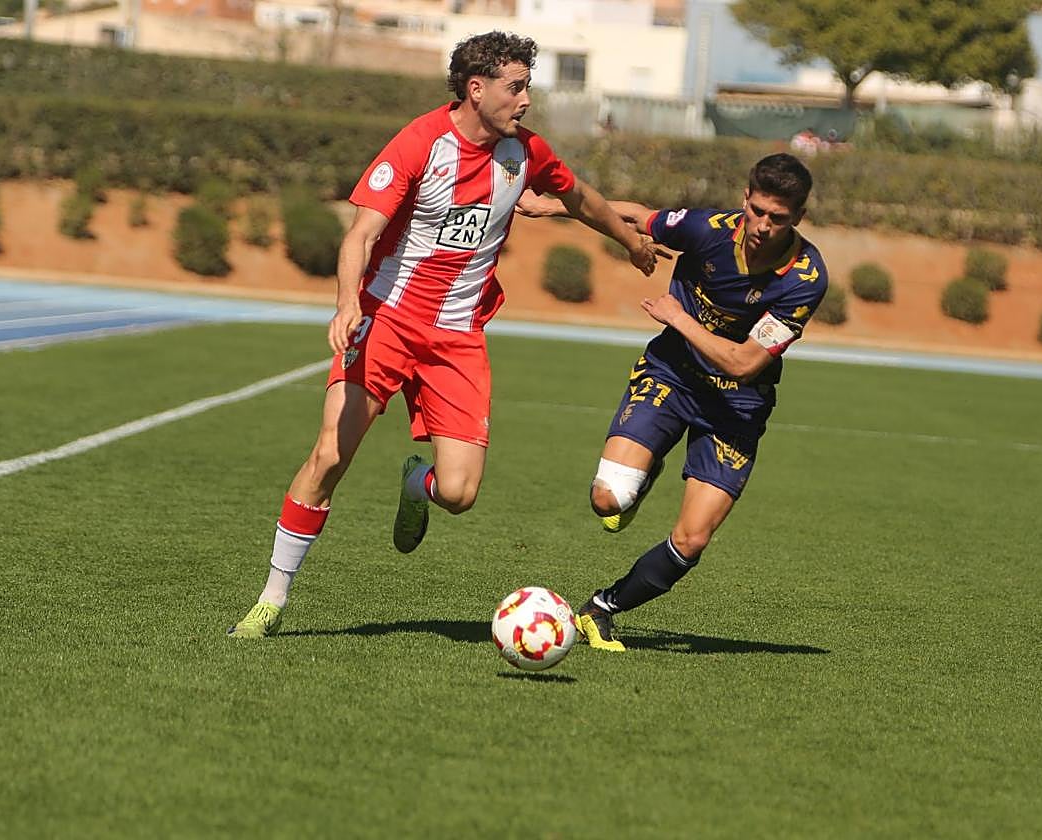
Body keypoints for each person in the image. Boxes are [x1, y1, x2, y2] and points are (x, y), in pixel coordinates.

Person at [228, 31, 660, 638]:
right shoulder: (420, 142)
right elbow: (359, 235)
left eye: (528, 86)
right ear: (476, 90)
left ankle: (416, 481)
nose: (526, 99)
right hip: (385, 323)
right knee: (329, 455)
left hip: (458, 337)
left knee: (457, 493)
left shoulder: (526, 152)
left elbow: (582, 198)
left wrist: (629, 237)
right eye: (516, 87)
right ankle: (272, 599)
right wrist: (347, 303)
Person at [517, 153, 827, 651]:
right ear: (745, 199)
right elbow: (640, 217)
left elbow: (745, 363)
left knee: (692, 540)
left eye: (779, 218)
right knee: (608, 499)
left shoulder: (805, 279)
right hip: (673, 375)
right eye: (758, 211)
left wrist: (679, 318)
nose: (764, 226)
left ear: (799, 218)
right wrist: (552, 206)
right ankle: (645, 473)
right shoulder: (708, 228)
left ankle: (602, 609)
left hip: (737, 404)